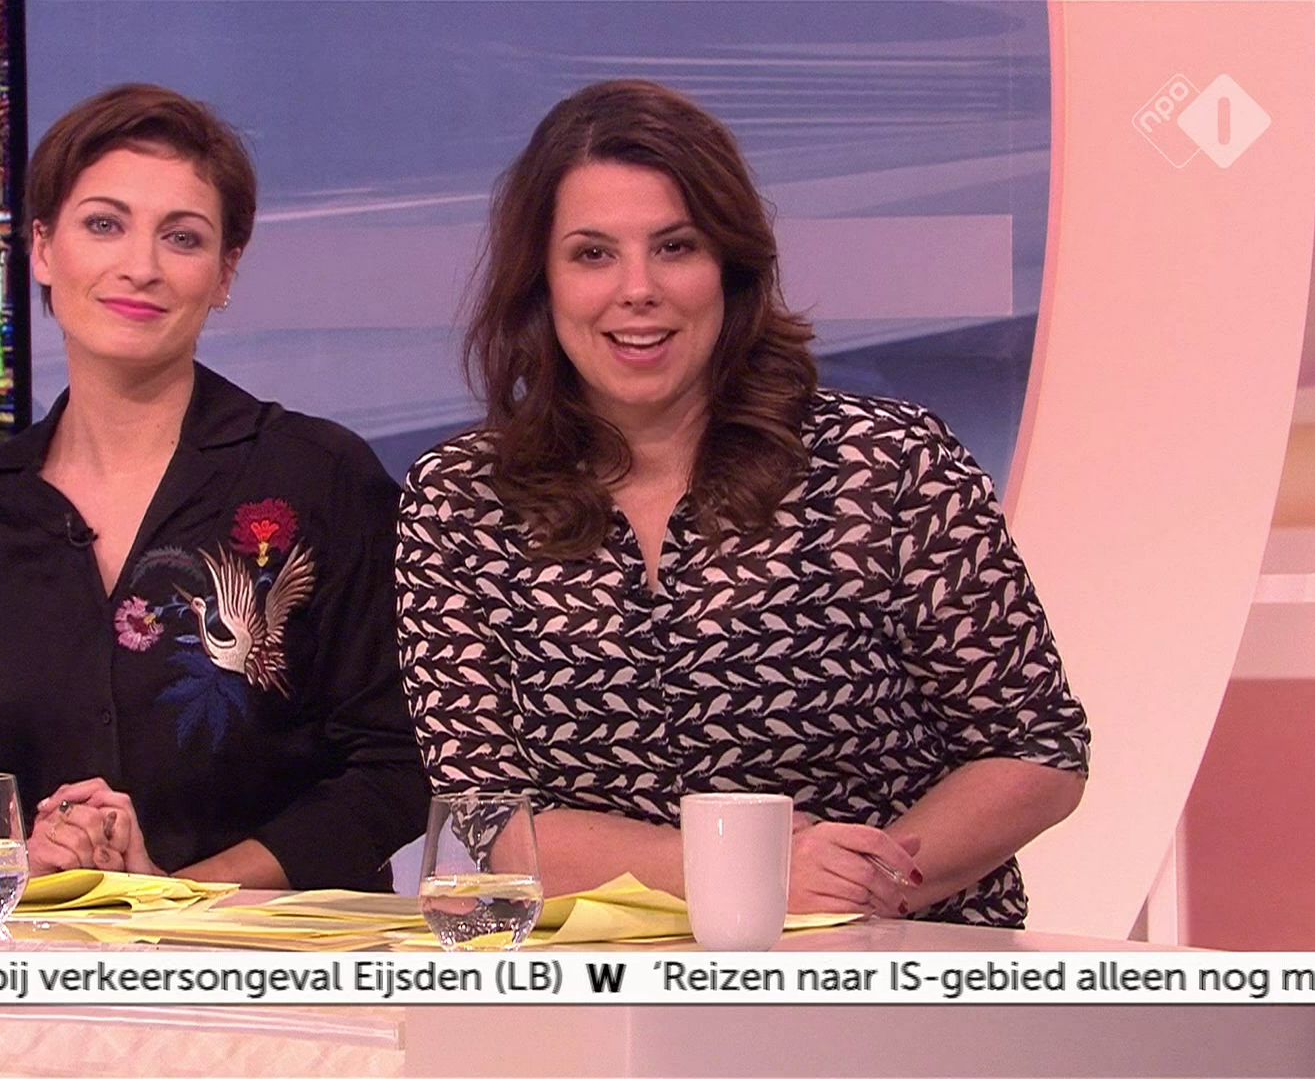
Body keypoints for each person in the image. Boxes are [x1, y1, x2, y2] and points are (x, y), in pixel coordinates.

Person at [396, 80, 1089, 926]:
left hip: (884, 961)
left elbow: (1034, 749)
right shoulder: (460, 500)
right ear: (540, 281)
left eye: (675, 246)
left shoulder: (889, 465)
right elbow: (486, 815)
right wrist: (746, 874)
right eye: (593, 254)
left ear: (730, 264)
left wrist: (862, 887)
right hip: (608, 980)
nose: (637, 288)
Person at [0, 84, 427, 890]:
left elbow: (396, 768)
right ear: (42, 248)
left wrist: (182, 900)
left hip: (282, 954)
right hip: (57, 949)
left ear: (224, 272)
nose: (140, 267)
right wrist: (36, 858)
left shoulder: (320, 477)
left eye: (182, 238)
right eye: (103, 225)